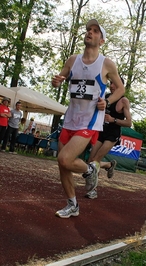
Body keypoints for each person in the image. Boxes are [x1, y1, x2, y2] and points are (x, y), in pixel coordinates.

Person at [51, 19, 125, 218]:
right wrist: (56, 81)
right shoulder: (72, 60)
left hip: (90, 120)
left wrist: (107, 102)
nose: (89, 33)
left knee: (64, 158)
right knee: (63, 165)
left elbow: (121, 89)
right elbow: (59, 79)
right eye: (88, 30)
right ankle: (72, 204)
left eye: (95, 31)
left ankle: (90, 170)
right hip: (70, 119)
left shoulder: (106, 63)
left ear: (101, 40)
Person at [85, 76, 132, 199]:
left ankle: (93, 190)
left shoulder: (124, 101)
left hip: (112, 134)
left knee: (95, 161)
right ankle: (108, 165)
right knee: (90, 161)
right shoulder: (106, 98)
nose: (112, 86)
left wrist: (113, 120)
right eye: (111, 83)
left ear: (121, 86)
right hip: (101, 131)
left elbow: (129, 123)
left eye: (115, 83)